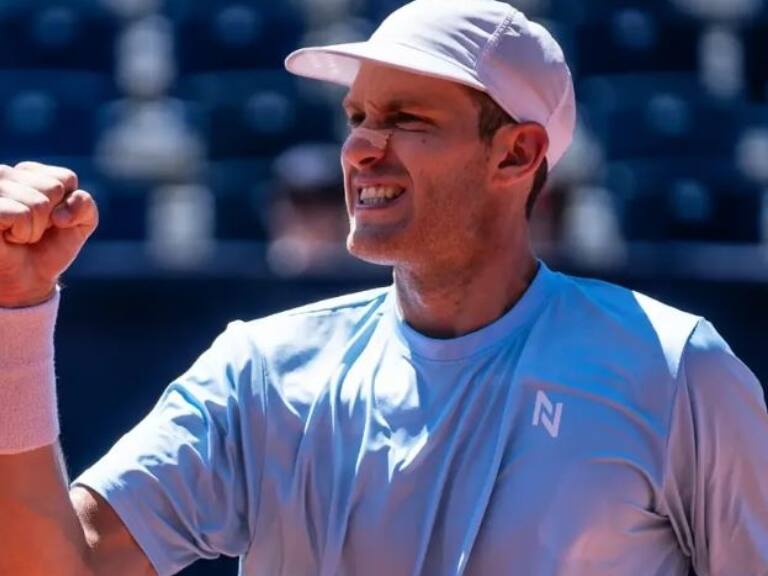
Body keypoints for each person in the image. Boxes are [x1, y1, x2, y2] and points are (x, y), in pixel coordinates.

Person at [1, 1, 766, 575]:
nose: (361, 146)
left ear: (517, 153)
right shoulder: (260, 371)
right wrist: (14, 321)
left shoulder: (675, 368)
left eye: (405, 119)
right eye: (358, 116)